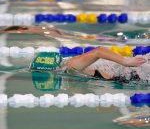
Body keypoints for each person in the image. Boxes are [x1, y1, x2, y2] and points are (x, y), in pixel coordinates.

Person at [0, 26, 149, 82]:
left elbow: (99, 51)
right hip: (133, 73)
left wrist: (125, 61)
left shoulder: (70, 65)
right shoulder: (73, 75)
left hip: (136, 65)